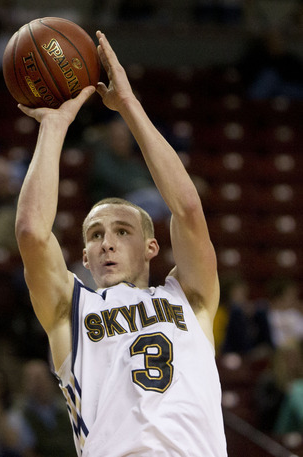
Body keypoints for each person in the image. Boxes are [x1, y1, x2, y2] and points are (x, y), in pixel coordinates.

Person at [14, 31, 227, 456]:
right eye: (95, 235)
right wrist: (54, 127)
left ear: (152, 246)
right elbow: (31, 233)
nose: (107, 243)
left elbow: (187, 210)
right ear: (85, 257)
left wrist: (129, 106)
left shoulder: (191, 297)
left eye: (122, 231)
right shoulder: (69, 310)